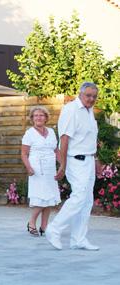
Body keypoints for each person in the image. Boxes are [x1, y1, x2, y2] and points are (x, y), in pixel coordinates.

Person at [45, 82, 102, 250]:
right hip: (75, 161)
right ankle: (54, 229)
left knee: (87, 201)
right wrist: (62, 165)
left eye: (94, 96)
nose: (91, 99)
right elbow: (64, 139)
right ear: (80, 94)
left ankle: (78, 239)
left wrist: (96, 159)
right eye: (88, 95)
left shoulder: (89, 111)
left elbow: (89, 139)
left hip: (89, 160)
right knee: (79, 197)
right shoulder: (71, 110)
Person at [21, 106, 61, 236]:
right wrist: (29, 168)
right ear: (32, 118)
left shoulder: (51, 131)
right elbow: (24, 154)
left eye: (41, 115)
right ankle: (32, 222)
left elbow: (56, 151)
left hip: (50, 169)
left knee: (50, 198)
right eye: (36, 115)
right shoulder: (29, 133)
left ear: (46, 118)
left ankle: (44, 226)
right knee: (41, 198)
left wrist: (63, 165)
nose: (39, 117)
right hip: (36, 170)